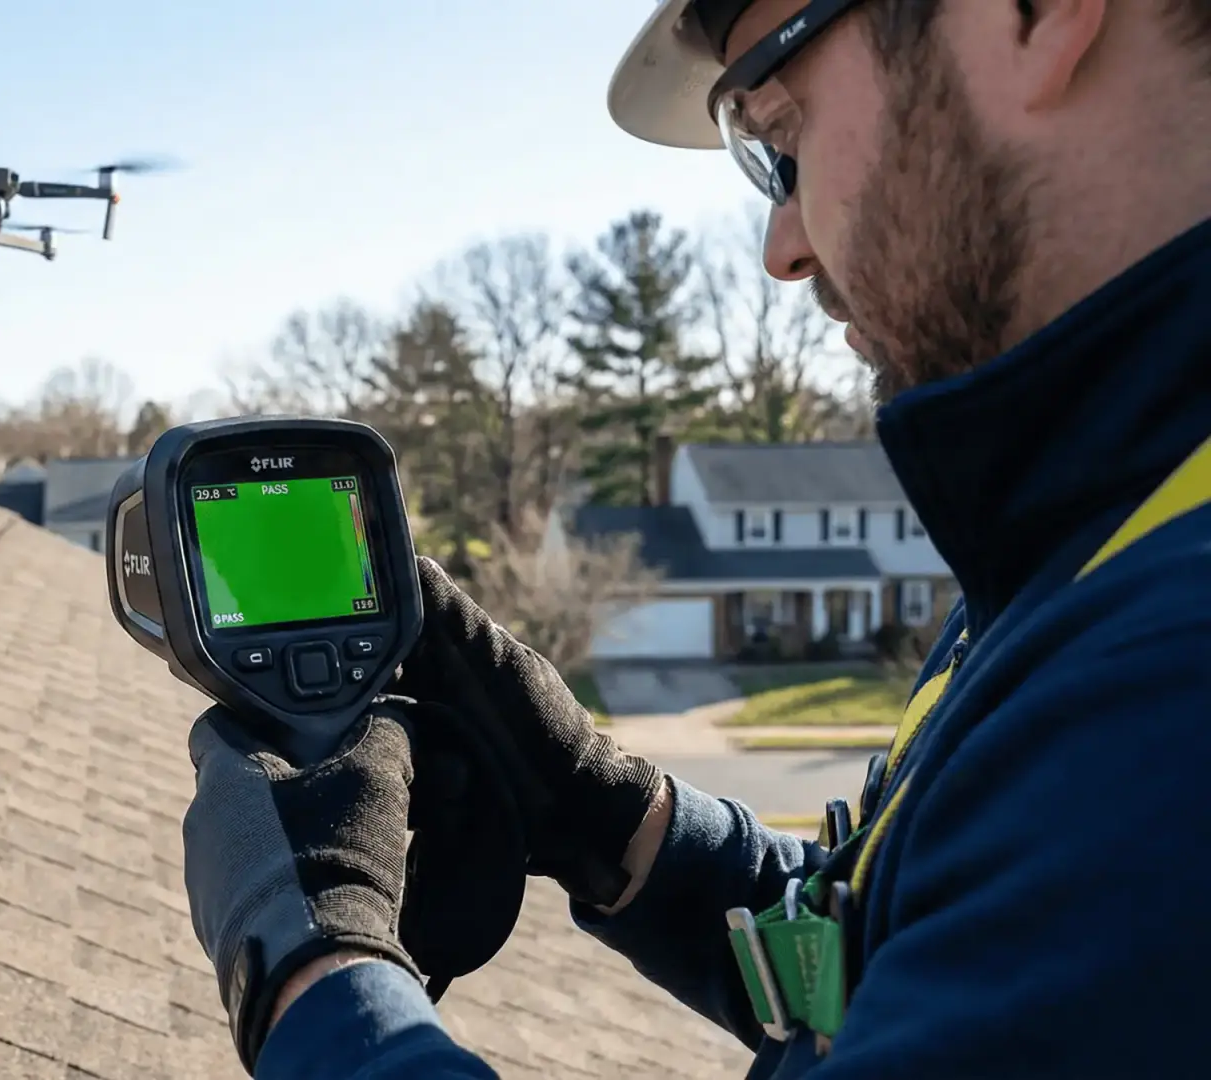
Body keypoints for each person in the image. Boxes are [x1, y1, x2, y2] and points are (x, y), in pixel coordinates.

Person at [177, 0, 1211, 1076]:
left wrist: (315, 983)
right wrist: (607, 814)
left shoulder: (1175, 684)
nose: (785, 247)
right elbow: (897, 960)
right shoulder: (1108, 537)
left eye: (783, 138)